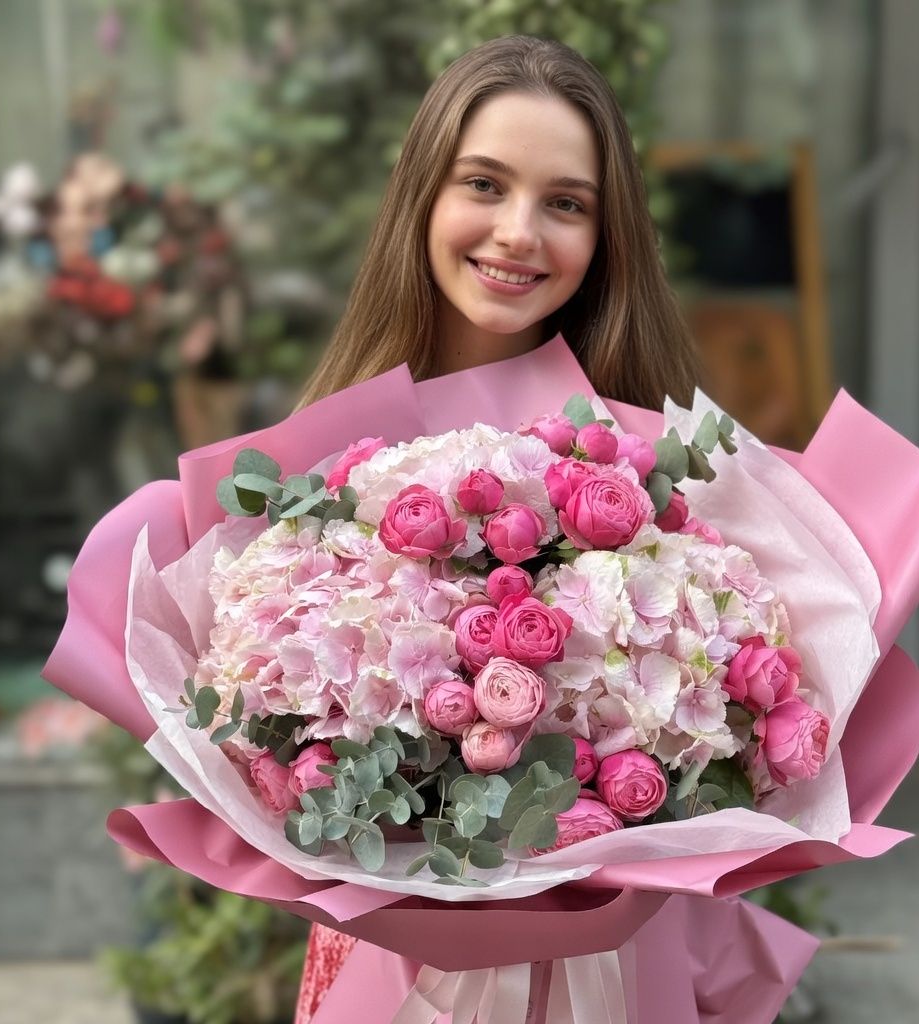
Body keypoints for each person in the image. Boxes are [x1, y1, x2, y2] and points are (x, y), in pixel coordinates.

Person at [293, 33, 698, 1023]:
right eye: (484, 184)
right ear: (424, 195)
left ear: (605, 234)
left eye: (566, 203)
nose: (519, 232)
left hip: (603, 961)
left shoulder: (652, 471)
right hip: (386, 952)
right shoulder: (329, 463)